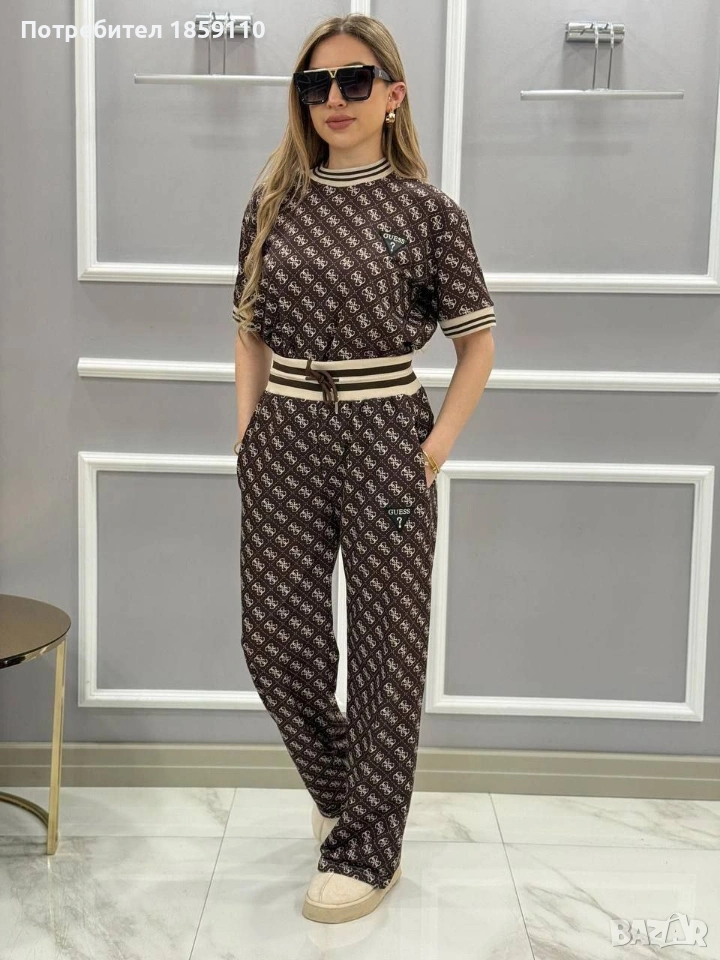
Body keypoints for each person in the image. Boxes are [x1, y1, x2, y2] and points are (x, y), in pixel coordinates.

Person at [231, 13, 496, 924]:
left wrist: (433, 450)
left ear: (393, 94)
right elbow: (249, 332)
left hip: (389, 434)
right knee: (275, 643)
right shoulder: (273, 203)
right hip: (286, 433)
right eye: (315, 84)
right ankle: (350, 795)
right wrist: (246, 435)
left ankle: (368, 848)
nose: (333, 99)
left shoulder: (428, 213)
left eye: (354, 81)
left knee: (389, 645)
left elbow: (478, 344)